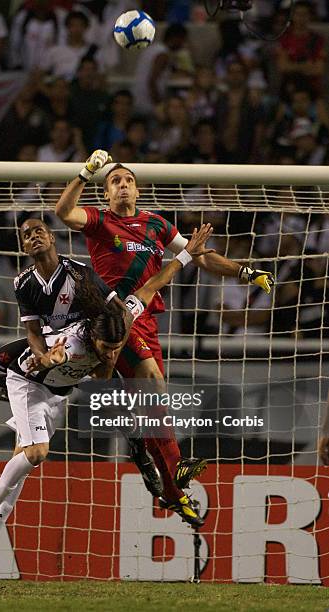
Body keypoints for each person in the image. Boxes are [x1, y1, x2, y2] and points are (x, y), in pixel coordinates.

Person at [0, 223, 214, 578]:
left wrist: (187, 254)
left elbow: (151, 286)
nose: (111, 355)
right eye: (105, 349)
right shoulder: (78, 343)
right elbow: (57, 355)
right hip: (29, 380)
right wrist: (51, 358)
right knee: (36, 451)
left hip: (56, 391)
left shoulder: (119, 320)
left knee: (22, 463)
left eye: (116, 349)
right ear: (94, 341)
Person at [54, 150, 275, 516]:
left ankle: (174, 493)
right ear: (106, 193)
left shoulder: (156, 224)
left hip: (149, 322)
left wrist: (244, 272)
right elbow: (63, 212)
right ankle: (177, 466)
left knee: (152, 410)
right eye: (114, 181)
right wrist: (84, 173)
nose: (122, 185)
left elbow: (199, 256)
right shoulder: (99, 221)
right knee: (154, 384)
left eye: (127, 180)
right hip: (116, 320)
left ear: (138, 191)